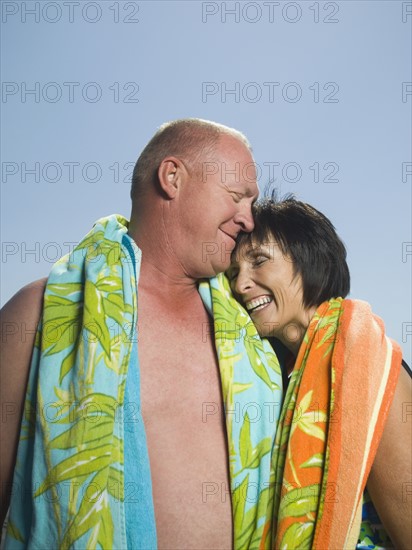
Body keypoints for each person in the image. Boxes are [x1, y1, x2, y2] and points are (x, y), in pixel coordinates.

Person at [0, 118, 261, 549]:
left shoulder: (252, 338)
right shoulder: (41, 313)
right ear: (172, 178)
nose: (249, 220)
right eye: (237, 197)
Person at [227, 195, 411, 549]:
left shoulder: (371, 368)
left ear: (310, 259)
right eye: (234, 274)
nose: (240, 285)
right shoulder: (278, 380)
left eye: (259, 262)